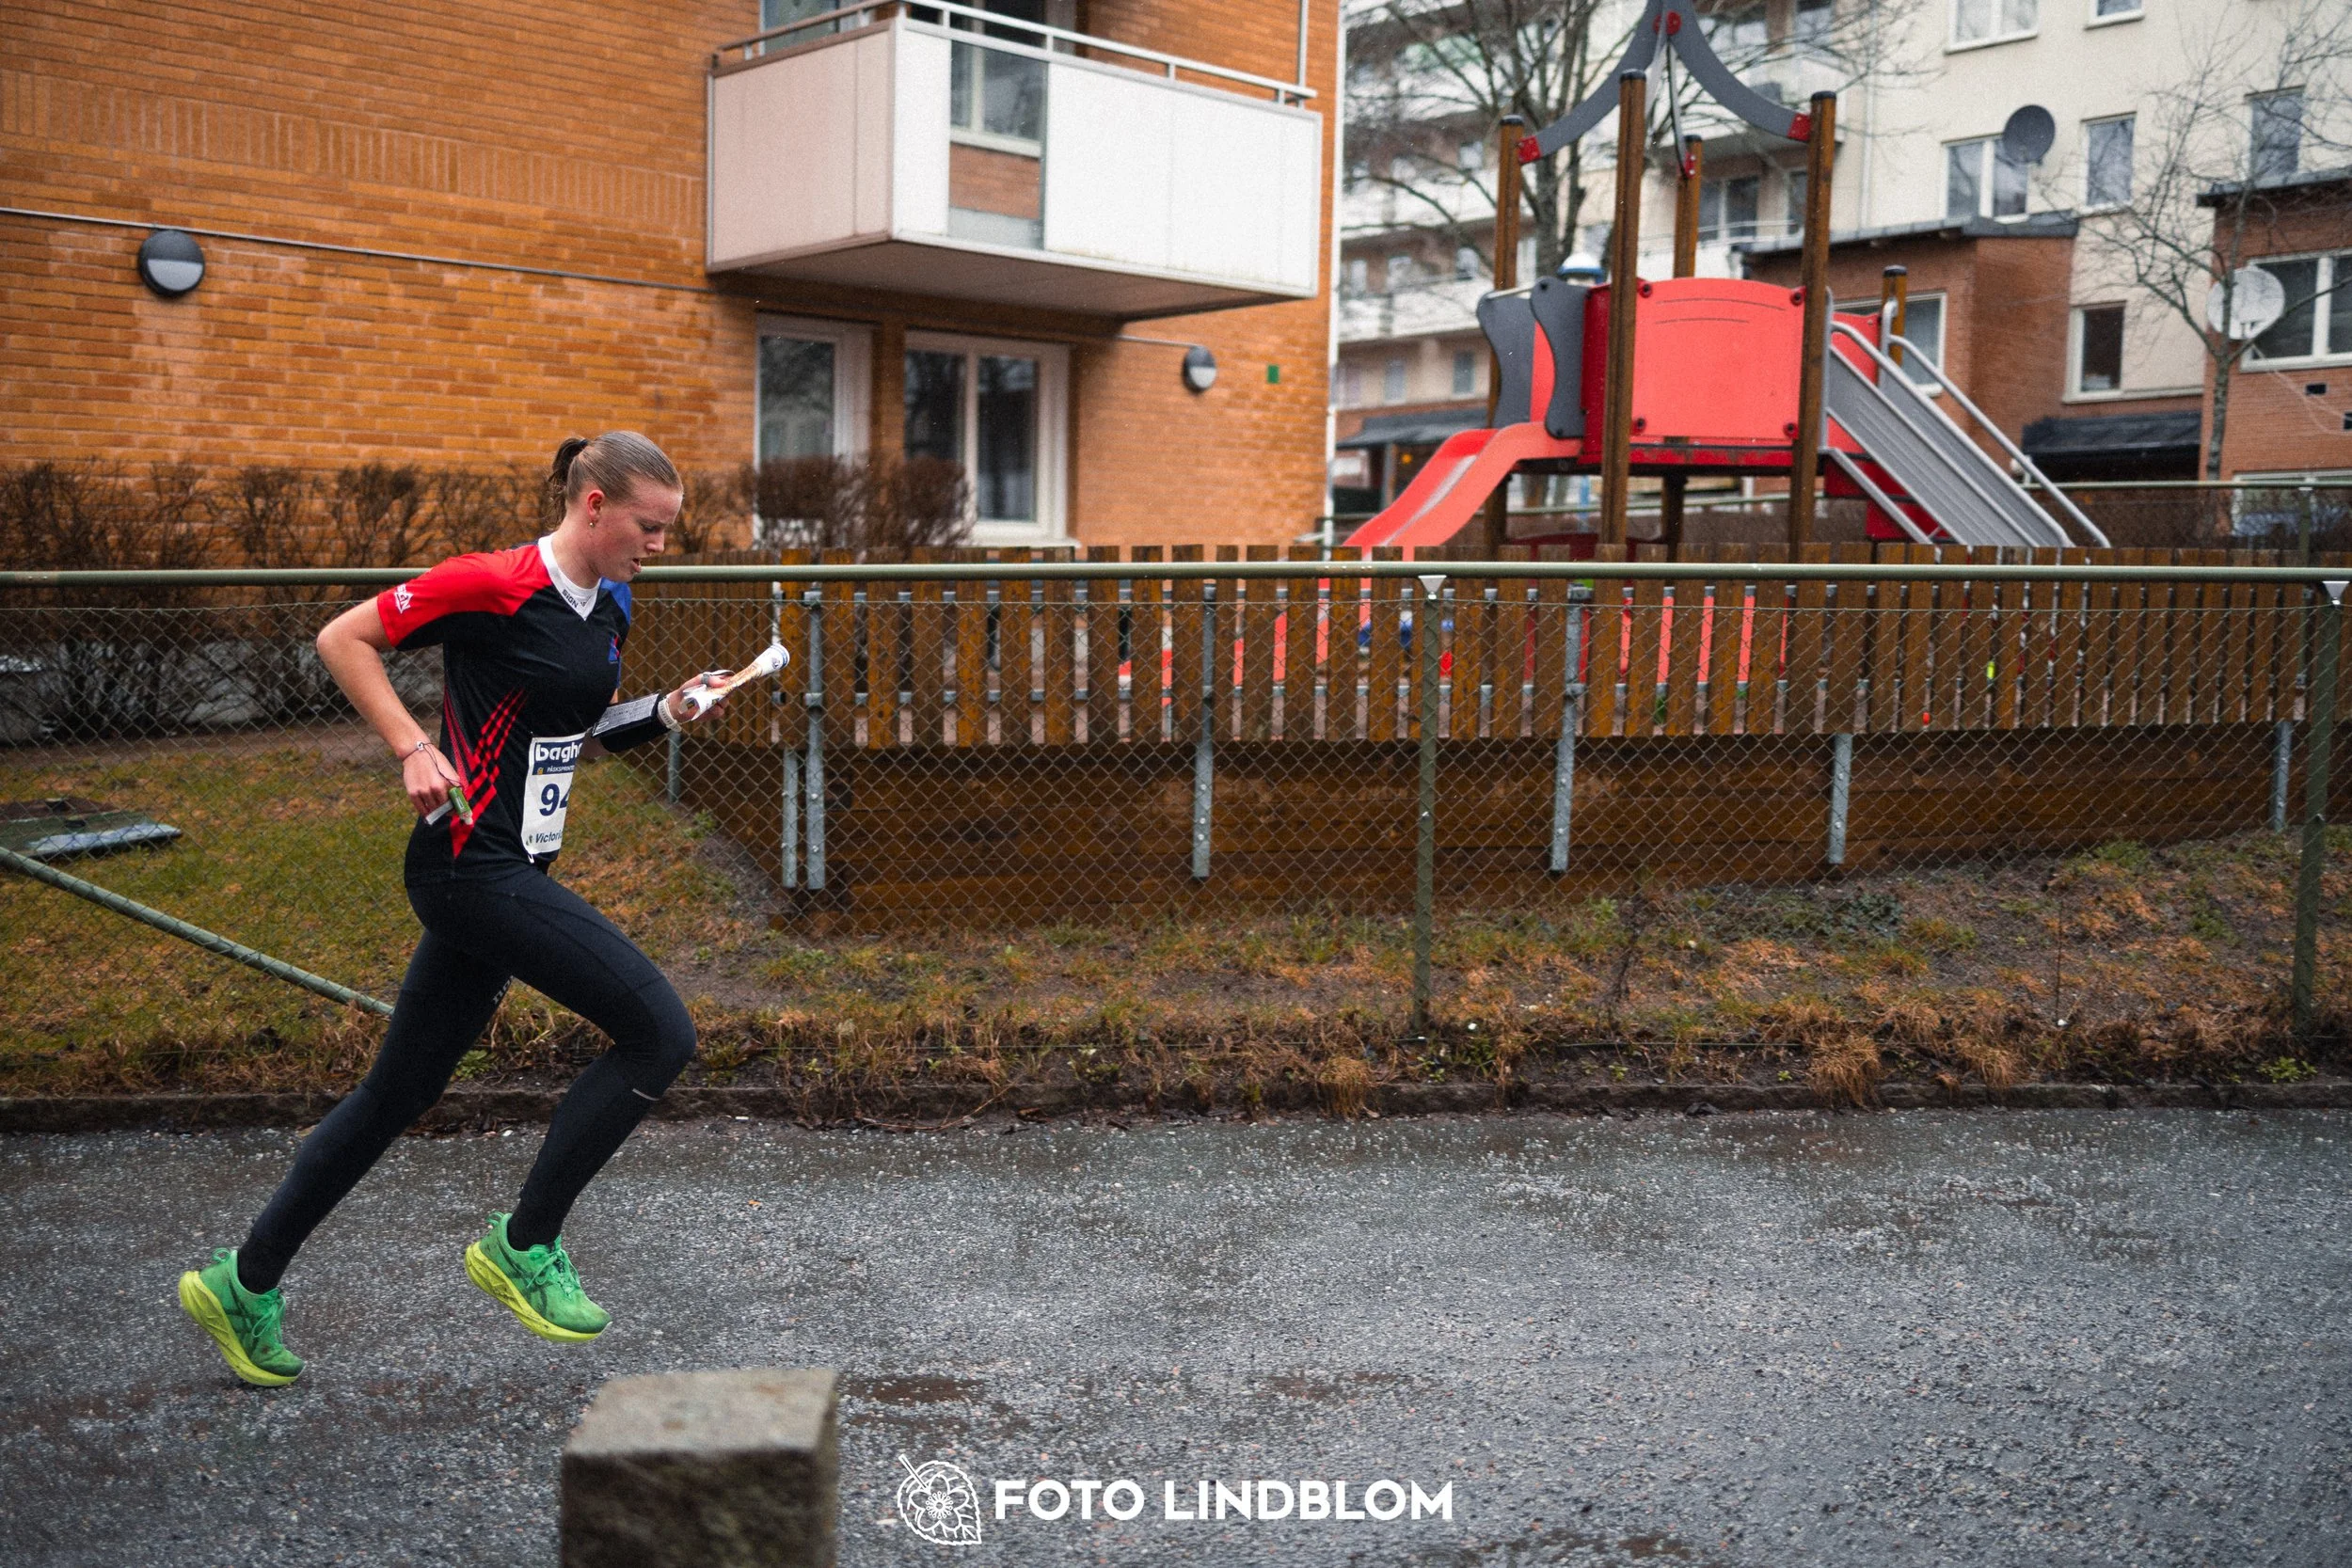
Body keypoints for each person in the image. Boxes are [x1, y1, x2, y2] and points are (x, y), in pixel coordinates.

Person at [178, 431, 734, 1386]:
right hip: (469, 865)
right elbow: (342, 636)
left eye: (668, 530)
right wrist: (408, 745)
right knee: (658, 1032)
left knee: (397, 1093)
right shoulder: (492, 581)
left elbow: (577, 730)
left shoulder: (612, 603)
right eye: (649, 526)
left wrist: (667, 710)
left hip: (516, 871)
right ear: (592, 503)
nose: (659, 544)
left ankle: (242, 1280)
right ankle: (525, 1244)